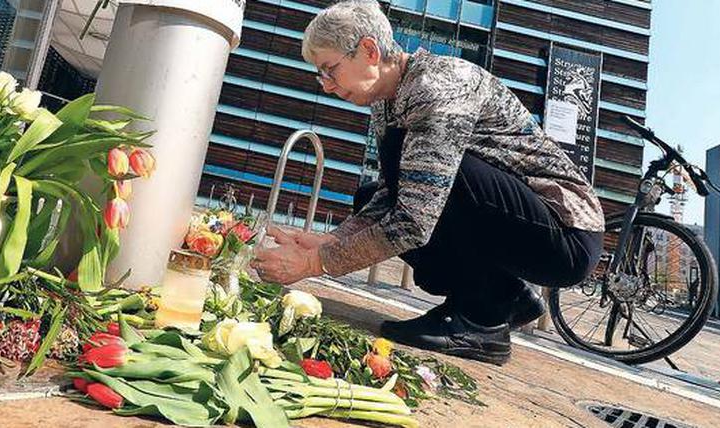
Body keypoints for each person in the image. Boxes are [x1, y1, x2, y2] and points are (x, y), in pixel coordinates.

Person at [251, 0, 604, 365]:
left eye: (330, 70)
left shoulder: (438, 87)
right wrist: (333, 240)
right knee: (371, 194)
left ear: (370, 51)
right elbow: (393, 193)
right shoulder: (386, 100)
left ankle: (481, 321)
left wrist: (313, 264)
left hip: (565, 233)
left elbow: (414, 221)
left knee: (433, 177)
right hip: (517, 220)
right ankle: (503, 295)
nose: (326, 86)